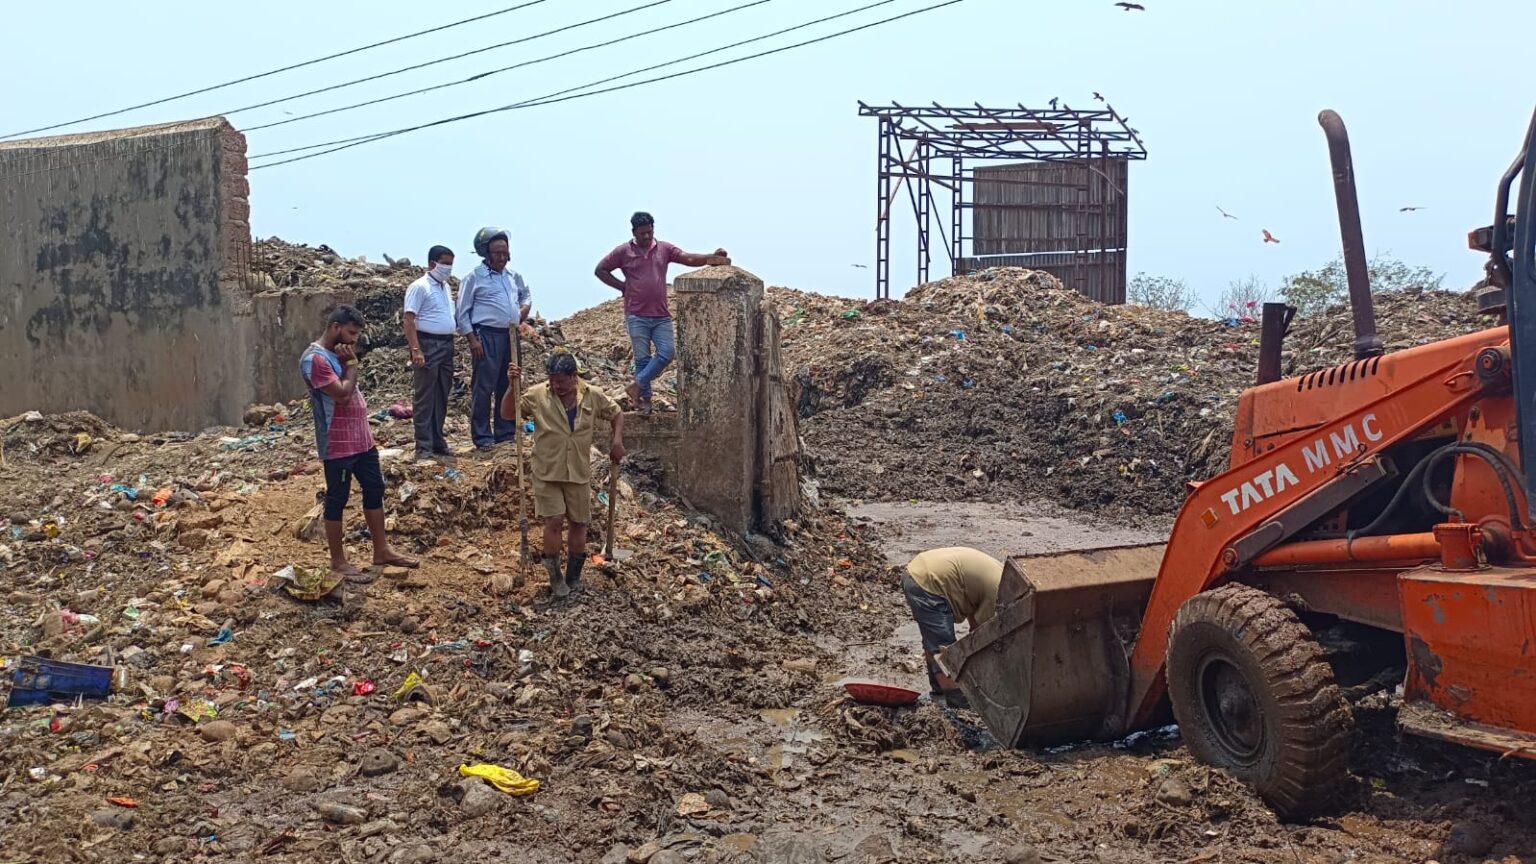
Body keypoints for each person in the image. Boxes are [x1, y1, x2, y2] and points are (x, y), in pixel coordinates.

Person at [299, 305, 420, 582]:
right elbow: (341, 394)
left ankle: (382, 550)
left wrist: (349, 364)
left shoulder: (339, 354)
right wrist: (352, 366)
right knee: (337, 498)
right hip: (338, 443)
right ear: (335, 327)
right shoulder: (315, 359)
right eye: (351, 333)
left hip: (362, 439)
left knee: (374, 488)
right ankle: (338, 561)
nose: (353, 340)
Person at [501, 348, 625, 598]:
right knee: (554, 521)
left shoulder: (592, 395)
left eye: (561, 381)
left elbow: (617, 413)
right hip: (547, 471)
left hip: (578, 472)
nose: (556, 385)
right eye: (552, 380)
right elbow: (507, 413)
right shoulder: (537, 395)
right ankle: (555, 577)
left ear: (573, 377)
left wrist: (617, 441)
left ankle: (574, 576)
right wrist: (511, 386)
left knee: (579, 524)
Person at [593, 211, 730, 415]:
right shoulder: (623, 252)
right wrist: (622, 287)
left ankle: (637, 385)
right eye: (642, 234)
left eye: (649, 232)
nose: (647, 237)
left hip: (660, 315)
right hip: (636, 314)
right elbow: (600, 270)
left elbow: (687, 257)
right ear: (634, 233)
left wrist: (710, 258)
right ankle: (645, 402)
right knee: (642, 359)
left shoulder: (664, 249)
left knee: (667, 353)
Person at [456, 226, 532, 451]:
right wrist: (472, 340)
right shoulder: (474, 278)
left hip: (510, 335)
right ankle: (482, 436)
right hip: (485, 335)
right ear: (486, 254)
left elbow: (525, 294)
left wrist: (523, 311)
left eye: (505, 253)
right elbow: (462, 312)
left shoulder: (512, 276)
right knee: (483, 387)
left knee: (508, 383)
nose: (502, 258)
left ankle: (505, 431)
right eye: (497, 253)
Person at [901, 547, 1004, 709]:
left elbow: (974, 618)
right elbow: (980, 634)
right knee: (943, 649)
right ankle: (957, 703)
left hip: (921, 570)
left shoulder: (1002, 576)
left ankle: (939, 692)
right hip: (928, 582)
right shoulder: (1000, 594)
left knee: (933, 642)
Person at [403, 244, 457, 463]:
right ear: (433, 263)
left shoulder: (445, 288)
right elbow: (409, 320)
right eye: (445, 264)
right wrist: (416, 349)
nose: (448, 268)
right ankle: (423, 445)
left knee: (442, 393)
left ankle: (437, 439)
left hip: (446, 344)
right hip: (427, 343)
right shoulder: (419, 287)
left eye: (451, 265)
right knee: (425, 396)